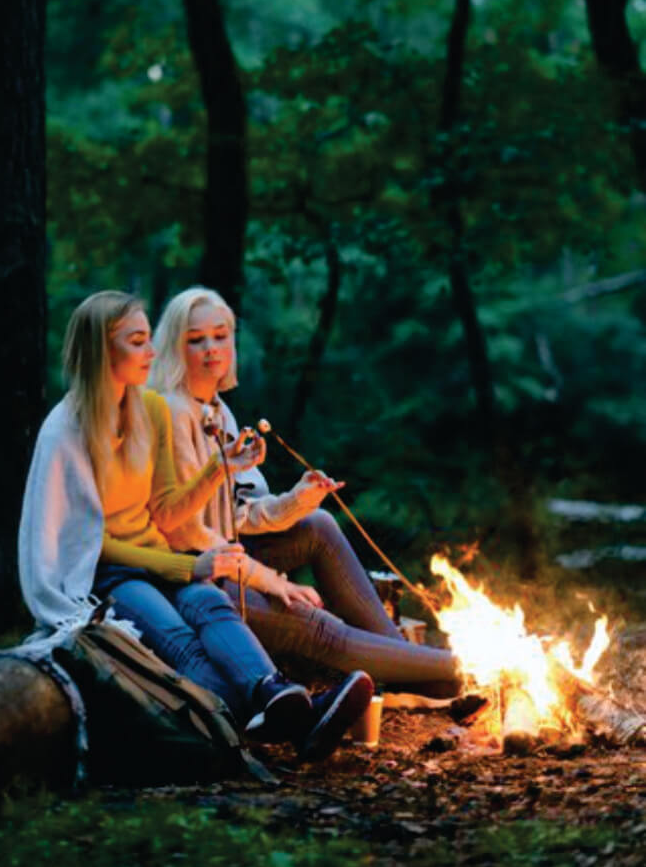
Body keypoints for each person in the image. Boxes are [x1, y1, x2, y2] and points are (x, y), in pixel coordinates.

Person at [18, 291, 373, 762]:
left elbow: (165, 511)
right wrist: (187, 567)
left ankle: (275, 694)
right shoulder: (66, 430)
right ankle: (285, 719)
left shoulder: (152, 411)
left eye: (150, 341)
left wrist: (219, 469)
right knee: (175, 633)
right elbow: (91, 542)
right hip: (107, 574)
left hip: (161, 559)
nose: (151, 352)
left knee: (210, 604)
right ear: (103, 350)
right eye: (139, 342)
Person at [149, 287, 462, 698]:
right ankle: (477, 666)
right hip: (193, 576)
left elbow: (239, 515)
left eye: (221, 335)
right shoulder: (172, 412)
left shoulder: (218, 410)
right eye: (196, 339)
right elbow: (186, 534)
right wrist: (268, 581)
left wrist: (298, 499)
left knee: (319, 523)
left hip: (228, 556)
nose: (212, 348)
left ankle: (404, 665)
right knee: (314, 622)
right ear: (175, 347)